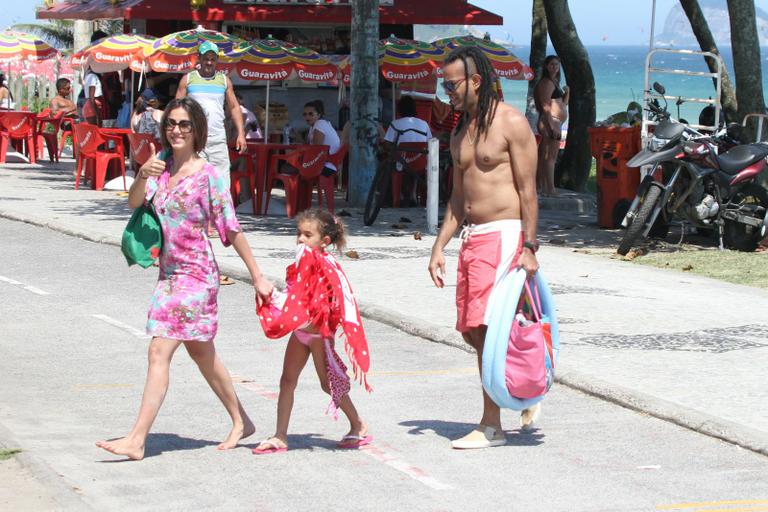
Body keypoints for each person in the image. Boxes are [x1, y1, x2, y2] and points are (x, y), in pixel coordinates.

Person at [95, 97, 274, 461]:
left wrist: (258, 276)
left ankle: (136, 438)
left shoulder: (208, 176)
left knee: (159, 350)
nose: (176, 130)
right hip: (169, 275)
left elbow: (232, 229)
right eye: (171, 124)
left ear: (197, 132)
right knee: (202, 354)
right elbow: (134, 205)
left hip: (197, 277)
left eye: (184, 125)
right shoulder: (160, 169)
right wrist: (142, 175)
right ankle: (242, 420)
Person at [427, 46, 540, 450]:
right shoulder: (460, 131)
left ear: (475, 81)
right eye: (443, 84)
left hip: (506, 235)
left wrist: (530, 246)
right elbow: (458, 201)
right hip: (473, 240)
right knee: (473, 332)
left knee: (490, 329)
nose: (446, 92)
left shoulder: (511, 123)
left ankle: (492, 424)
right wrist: (439, 245)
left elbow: (529, 191)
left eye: (451, 84)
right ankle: (525, 384)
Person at [253, 208, 371, 454]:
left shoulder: (326, 267)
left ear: (324, 241)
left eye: (308, 235)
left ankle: (358, 424)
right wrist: (276, 298)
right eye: (299, 234)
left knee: (328, 384)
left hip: (318, 335)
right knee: (287, 381)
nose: (301, 239)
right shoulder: (299, 264)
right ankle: (281, 435)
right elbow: (297, 299)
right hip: (301, 331)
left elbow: (333, 301)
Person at [175, 41, 246, 193]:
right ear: (199, 58)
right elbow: (177, 108)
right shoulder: (188, 79)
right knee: (193, 182)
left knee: (222, 184)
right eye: (206, 58)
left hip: (217, 140)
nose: (209, 62)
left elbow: (234, 107)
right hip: (194, 139)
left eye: (213, 59)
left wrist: (241, 134)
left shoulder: (224, 81)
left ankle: (221, 215)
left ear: (217, 60)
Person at [534, 55, 569, 197]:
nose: (555, 67)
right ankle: (550, 189)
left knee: (547, 156)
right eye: (552, 64)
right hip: (550, 121)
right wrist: (552, 125)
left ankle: (543, 187)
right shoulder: (546, 83)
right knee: (550, 157)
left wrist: (568, 93)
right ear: (546, 66)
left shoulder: (554, 82)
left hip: (555, 121)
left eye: (557, 64)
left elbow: (563, 104)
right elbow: (545, 105)